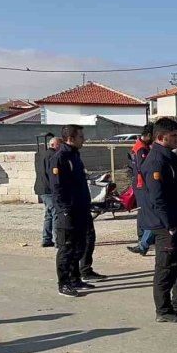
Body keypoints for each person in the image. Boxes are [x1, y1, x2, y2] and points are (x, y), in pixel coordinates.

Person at [139, 118, 177, 321]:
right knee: (166, 268)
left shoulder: (168, 159)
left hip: (176, 221)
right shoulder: (156, 161)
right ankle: (163, 311)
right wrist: (170, 225)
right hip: (165, 225)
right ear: (160, 137)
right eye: (174, 136)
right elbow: (158, 198)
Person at [50, 126, 99, 298]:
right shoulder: (60, 158)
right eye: (81, 136)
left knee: (80, 245)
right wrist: (64, 210)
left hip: (81, 208)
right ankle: (63, 283)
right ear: (70, 138)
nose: (83, 139)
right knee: (67, 248)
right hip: (68, 211)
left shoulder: (74, 156)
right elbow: (57, 187)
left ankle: (75, 278)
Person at [127, 124, 156, 256]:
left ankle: (143, 243)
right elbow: (144, 169)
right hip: (143, 186)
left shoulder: (139, 147)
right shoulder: (141, 149)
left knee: (146, 214)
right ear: (149, 135)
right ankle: (143, 243)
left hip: (141, 186)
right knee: (151, 215)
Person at [34, 136, 62, 247]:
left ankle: (46, 239)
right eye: (60, 145)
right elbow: (53, 175)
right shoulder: (53, 157)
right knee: (55, 213)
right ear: (56, 145)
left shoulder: (42, 155)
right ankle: (57, 241)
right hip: (49, 189)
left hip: (41, 188)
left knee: (49, 214)